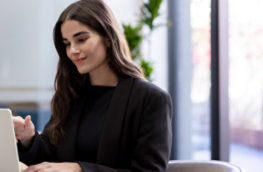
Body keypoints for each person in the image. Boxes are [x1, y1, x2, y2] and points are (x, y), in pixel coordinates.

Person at [13, 0, 172, 171]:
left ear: (108, 39)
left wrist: (79, 169)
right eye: (67, 43)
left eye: (81, 39)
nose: (72, 50)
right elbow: (50, 160)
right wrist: (28, 138)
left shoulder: (151, 99)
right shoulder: (71, 94)